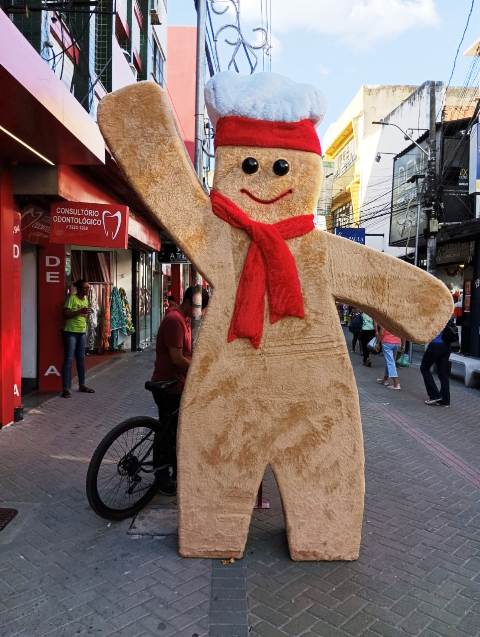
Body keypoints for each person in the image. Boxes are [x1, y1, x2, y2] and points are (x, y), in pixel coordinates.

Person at [151, 285, 210, 493]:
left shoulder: (183, 320)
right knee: (168, 433)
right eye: (201, 308)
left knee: (174, 431)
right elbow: (176, 359)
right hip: (169, 385)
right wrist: (199, 370)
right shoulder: (175, 321)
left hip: (177, 383)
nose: (201, 313)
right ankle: (161, 477)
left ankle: (175, 472)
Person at [62, 279, 95, 398]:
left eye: (88, 288)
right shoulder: (72, 298)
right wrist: (79, 311)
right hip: (71, 332)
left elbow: (82, 314)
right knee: (69, 359)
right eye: (85, 288)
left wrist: (87, 313)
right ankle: (66, 388)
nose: (87, 289)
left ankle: (82, 385)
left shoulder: (86, 299)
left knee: (81, 359)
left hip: (81, 332)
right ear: (79, 288)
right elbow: (65, 314)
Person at [421, 317, 455, 407]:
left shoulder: (435, 315)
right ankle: (445, 400)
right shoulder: (448, 313)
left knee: (424, 368)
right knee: (443, 374)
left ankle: (434, 395)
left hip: (436, 345)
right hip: (446, 347)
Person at [375, 324, 403, 389]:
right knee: (391, 362)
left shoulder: (385, 320)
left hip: (387, 342)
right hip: (397, 342)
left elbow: (381, 333)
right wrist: (403, 345)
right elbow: (402, 334)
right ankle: (385, 380)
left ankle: (396, 383)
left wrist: (377, 343)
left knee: (390, 362)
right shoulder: (397, 320)